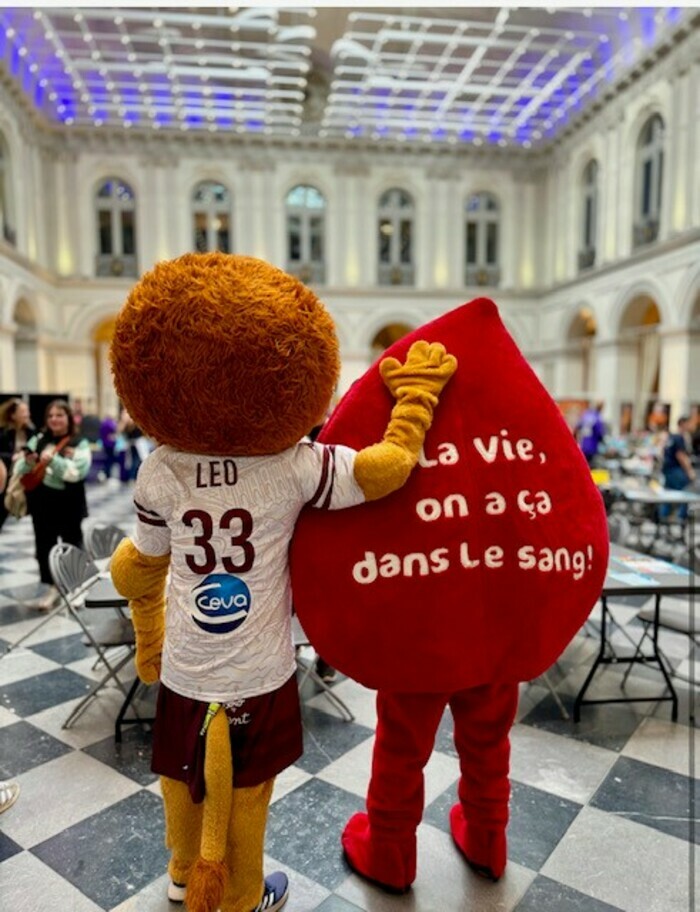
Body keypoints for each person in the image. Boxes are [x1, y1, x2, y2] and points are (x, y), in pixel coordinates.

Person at [11, 399, 92, 608]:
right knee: (44, 547)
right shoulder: (38, 438)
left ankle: (77, 587)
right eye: (50, 416)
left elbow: (76, 473)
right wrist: (27, 462)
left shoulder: (78, 441)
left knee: (72, 545)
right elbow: (20, 466)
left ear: (68, 418)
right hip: (41, 505)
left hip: (69, 506)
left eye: (59, 415)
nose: (54, 419)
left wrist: (53, 461)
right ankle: (52, 588)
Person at [0, 398, 36, 530]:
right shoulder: (3, 432)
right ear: (13, 415)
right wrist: (12, 457)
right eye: (23, 412)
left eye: (27, 411)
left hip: (21, 477)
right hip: (4, 476)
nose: (27, 415)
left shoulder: (31, 431)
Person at [659, 415, 697, 521]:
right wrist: (690, 471)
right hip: (676, 470)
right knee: (685, 494)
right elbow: (680, 455)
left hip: (667, 469)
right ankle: (681, 518)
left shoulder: (671, 437)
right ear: (684, 424)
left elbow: (663, 452)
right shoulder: (679, 438)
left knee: (668, 495)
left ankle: (663, 518)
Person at [575, 400, 606, 465]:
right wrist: (604, 442)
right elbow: (600, 433)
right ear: (601, 408)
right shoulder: (598, 417)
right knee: (591, 467)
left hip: (583, 446)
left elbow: (577, 427)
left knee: (583, 465)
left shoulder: (586, 415)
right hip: (592, 447)